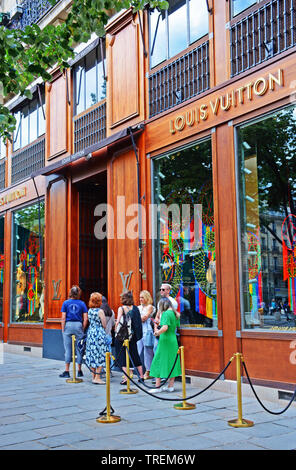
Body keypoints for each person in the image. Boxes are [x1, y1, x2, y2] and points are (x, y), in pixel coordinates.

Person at [150, 298, 181, 393]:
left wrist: (157, 333)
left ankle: (157, 387)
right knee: (172, 362)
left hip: (165, 340)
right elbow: (172, 326)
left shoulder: (166, 313)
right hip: (173, 340)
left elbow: (165, 327)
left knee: (157, 361)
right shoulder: (175, 314)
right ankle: (170, 386)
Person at [115, 290, 144, 384]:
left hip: (123, 336)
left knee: (122, 356)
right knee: (135, 354)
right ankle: (141, 376)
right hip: (133, 336)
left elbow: (118, 321)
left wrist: (115, 329)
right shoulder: (135, 308)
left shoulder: (122, 308)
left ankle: (126, 378)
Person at [59, 285, 88, 378]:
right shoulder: (82, 303)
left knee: (68, 349)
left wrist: (63, 329)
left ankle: (67, 371)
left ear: (70, 293)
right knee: (79, 349)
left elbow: (63, 318)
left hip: (68, 325)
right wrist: (82, 328)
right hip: (78, 325)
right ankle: (79, 370)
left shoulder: (65, 303)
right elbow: (86, 319)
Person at [85, 292, 108, 385]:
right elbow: (104, 324)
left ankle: (93, 376)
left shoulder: (90, 310)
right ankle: (98, 377)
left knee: (92, 354)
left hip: (91, 333)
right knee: (101, 354)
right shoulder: (100, 311)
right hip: (98, 334)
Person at [137, 290, 155, 380]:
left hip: (147, 331)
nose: (140, 299)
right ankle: (133, 370)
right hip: (138, 331)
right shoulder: (138, 307)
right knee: (137, 350)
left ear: (147, 298)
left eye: (142, 297)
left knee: (148, 352)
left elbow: (144, 318)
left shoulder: (150, 307)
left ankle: (148, 371)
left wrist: (136, 318)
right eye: (140, 297)